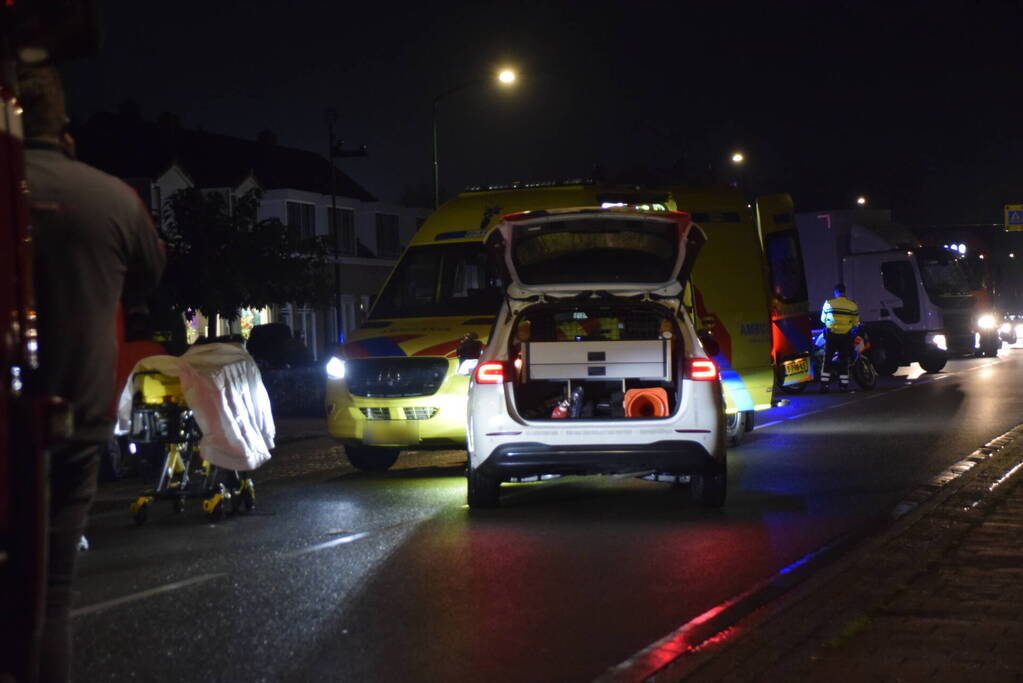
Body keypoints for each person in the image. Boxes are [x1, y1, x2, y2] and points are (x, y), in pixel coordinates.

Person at [20, 64, 166, 682]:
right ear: (66, 129)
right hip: (77, 416)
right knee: (51, 592)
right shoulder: (111, 197)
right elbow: (153, 272)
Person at [820, 283, 860, 393]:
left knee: (827, 360)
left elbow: (823, 320)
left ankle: (824, 385)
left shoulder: (829, 303)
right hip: (845, 337)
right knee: (844, 361)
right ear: (844, 292)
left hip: (832, 336)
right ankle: (843, 386)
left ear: (836, 292)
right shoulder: (852, 305)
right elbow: (855, 323)